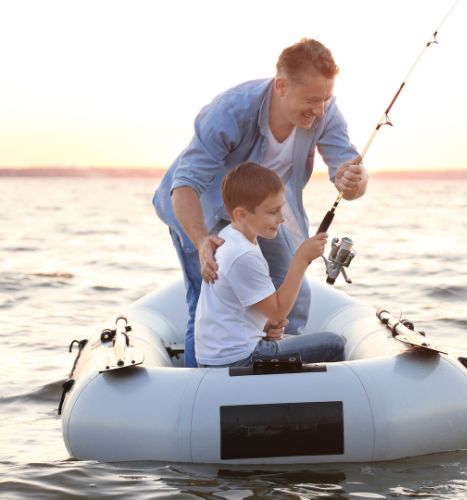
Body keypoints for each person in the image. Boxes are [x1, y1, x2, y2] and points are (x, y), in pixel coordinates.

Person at [152, 38, 368, 367]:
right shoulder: (231, 111)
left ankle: (275, 383)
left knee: (291, 297)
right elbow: (186, 185)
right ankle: (204, 391)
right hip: (201, 211)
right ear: (281, 86)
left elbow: (349, 177)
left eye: (325, 99)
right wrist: (201, 241)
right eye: (311, 99)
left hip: (260, 214)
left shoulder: (325, 114)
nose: (319, 110)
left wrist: (354, 181)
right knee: (204, 301)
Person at [195, 162, 345, 368]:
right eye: (273, 211)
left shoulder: (230, 236)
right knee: (334, 344)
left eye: (281, 208)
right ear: (241, 215)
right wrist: (301, 258)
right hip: (238, 359)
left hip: (224, 353)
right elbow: (278, 312)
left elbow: (241, 308)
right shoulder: (243, 254)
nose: (282, 218)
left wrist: (264, 326)